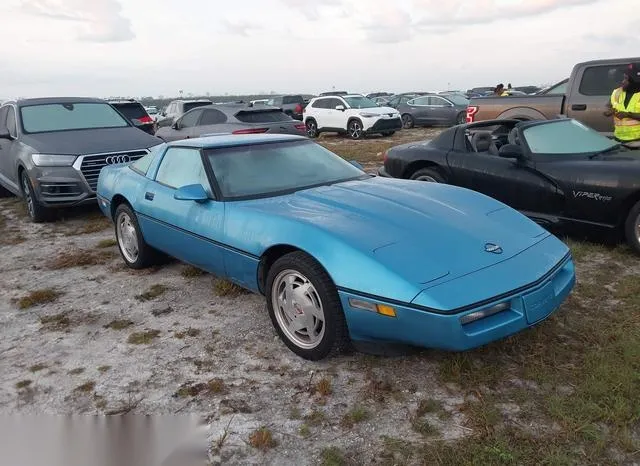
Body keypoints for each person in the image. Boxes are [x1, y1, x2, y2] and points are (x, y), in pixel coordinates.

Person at [607, 63, 640, 147]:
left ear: (635, 81)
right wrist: (609, 111)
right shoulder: (617, 92)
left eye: (626, 79)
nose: (623, 81)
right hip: (618, 140)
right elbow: (609, 106)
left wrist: (628, 114)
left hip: (637, 141)